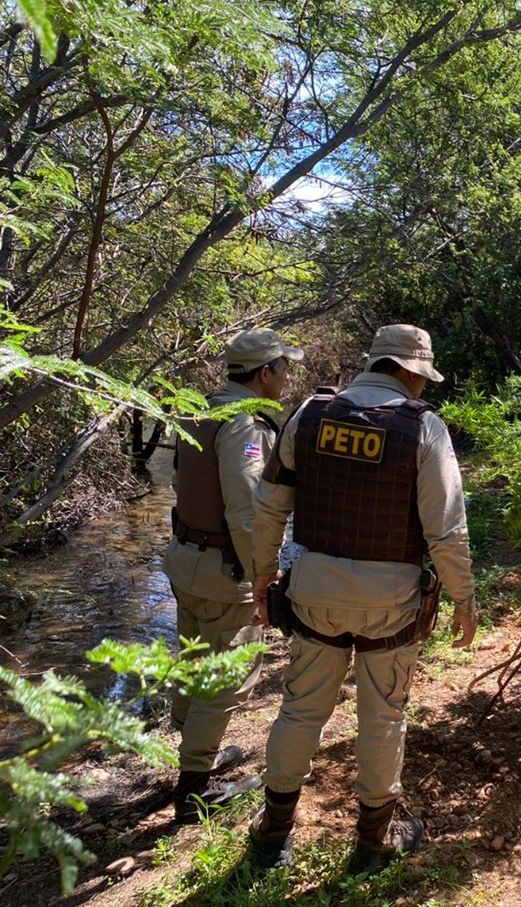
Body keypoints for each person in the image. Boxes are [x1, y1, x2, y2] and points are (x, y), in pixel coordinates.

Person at [247, 323, 477, 872]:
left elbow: (269, 507)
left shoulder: (308, 414)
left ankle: (274, 832)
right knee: (383, 716)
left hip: (313, 593)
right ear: (409, 372)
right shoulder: (424, 429)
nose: (424, 388)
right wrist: (465, 599)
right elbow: (446, 531)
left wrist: (261, 578)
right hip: (391, 602)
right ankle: (373, 840)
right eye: (423, 378)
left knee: (301, 709)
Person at [163, 328, 303, 823]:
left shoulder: (201, 409)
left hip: (185, 560)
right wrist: (264, 577)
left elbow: (181, 484)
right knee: (226, 679)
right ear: (264, 373)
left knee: (194, 658)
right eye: (285, 368)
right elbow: (247, 513)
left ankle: (191, 753)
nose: (288, 376)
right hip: (224, 571)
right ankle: (195, 786)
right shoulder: (245, 423)